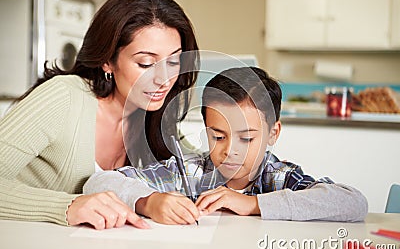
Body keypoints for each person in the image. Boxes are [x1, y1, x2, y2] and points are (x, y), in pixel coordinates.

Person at [0, 0, 199, 229]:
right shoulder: (64, 97)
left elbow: (193, 169)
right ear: (108, 61)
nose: (165, 79)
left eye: (173, 62)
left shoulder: (152, 116)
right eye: (145, 64)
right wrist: (67, 206)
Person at [84, 66, 368, 224]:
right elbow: (98, 183)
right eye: (218, 136)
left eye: (247, 138)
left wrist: (254, 204)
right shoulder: (189, 172)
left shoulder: (277, 177)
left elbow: (354, 203)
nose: (231, 150)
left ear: (273, 133)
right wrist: (148, 201)